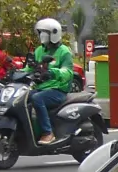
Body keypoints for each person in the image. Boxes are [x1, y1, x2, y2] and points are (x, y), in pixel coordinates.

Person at [29, 18, 74, 146]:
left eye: (44, 32)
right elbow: (31, 68)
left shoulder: (64, 51)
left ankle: (48, 133)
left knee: (37, 98)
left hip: (58, 90)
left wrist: (53, 72)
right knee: (23, 97)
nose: (41, 35)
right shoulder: (39, 50)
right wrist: (16, 72)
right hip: (41, 88)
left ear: (54, 34)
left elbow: (68, 72)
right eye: (40, 32)